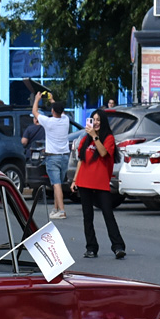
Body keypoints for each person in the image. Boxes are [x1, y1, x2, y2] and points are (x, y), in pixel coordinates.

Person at [70, 108, 126, 259]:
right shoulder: (85, 139)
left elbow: (103, 153)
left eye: (98, 120)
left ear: (103, 122)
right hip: (84, 181)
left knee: (108, 214)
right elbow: (82, 160)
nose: (95, 123)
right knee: (87, 216)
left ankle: (118, 246)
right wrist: (75, 180)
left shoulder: (108, 138)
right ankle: (91, 248)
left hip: (100, 182)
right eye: (93, 120)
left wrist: (95, 137)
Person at [32, 91, 71, 219]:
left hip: (52, 156)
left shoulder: (49, 122)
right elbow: (60, 111)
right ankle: (56, 208)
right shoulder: (66, 120)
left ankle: (62, 211)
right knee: (58, 183)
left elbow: (35, 112)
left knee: (56, 184)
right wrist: (52, 100)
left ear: (53, 111)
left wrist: (37, 99)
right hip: (65, 155)